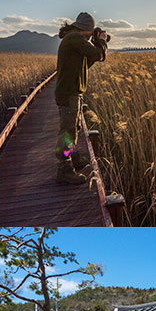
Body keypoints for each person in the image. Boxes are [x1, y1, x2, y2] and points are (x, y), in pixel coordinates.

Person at [54, 12, 108, 185]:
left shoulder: (74, 39)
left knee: (73, 128)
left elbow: (89, 60)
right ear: (87, 29)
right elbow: (98, 55)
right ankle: (65, 170)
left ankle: (72, 159)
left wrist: (97, 42)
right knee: (68, 132)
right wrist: (100, 42)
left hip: (71, 92)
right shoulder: (75, 38)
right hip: (69, 93)